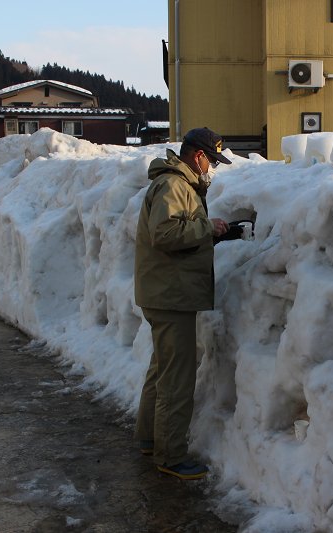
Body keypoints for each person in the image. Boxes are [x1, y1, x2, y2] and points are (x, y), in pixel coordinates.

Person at [133, 127, 234, 480]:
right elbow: (165, 234)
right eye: (212, 160)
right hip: (169, 295)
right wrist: (207, 228)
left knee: (162, 369)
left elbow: (179, 235)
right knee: (175, 378)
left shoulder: (179, 185)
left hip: (165, 291)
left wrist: (212, 232)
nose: (212, 168)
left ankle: (150, 438)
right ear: (197, 156)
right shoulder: (174, 186)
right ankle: (170, 456)